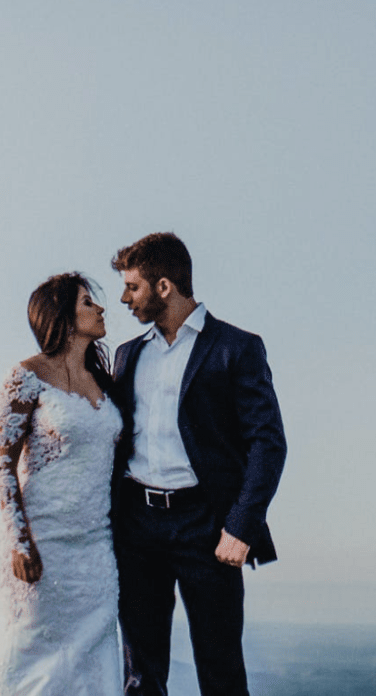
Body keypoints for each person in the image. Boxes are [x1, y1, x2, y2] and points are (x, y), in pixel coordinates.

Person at [110, 232, 286, 697]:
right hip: (137, 525)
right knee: (141, 675)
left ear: (164, 286)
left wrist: (241, 527)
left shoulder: (237, 348)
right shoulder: (128, 355)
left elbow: (268, 444)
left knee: (221, 669)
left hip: (208, 528)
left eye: (133, 287)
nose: (124, 298)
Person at [0, 273, 126, 696]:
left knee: (93, 669)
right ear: (62, 315)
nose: (101, 309)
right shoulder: (26, 375)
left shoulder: (104, 381)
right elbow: (2, 464)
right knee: (30, 667)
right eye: (88, 302)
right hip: (39, 544)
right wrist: (20, 541)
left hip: (95, 553)